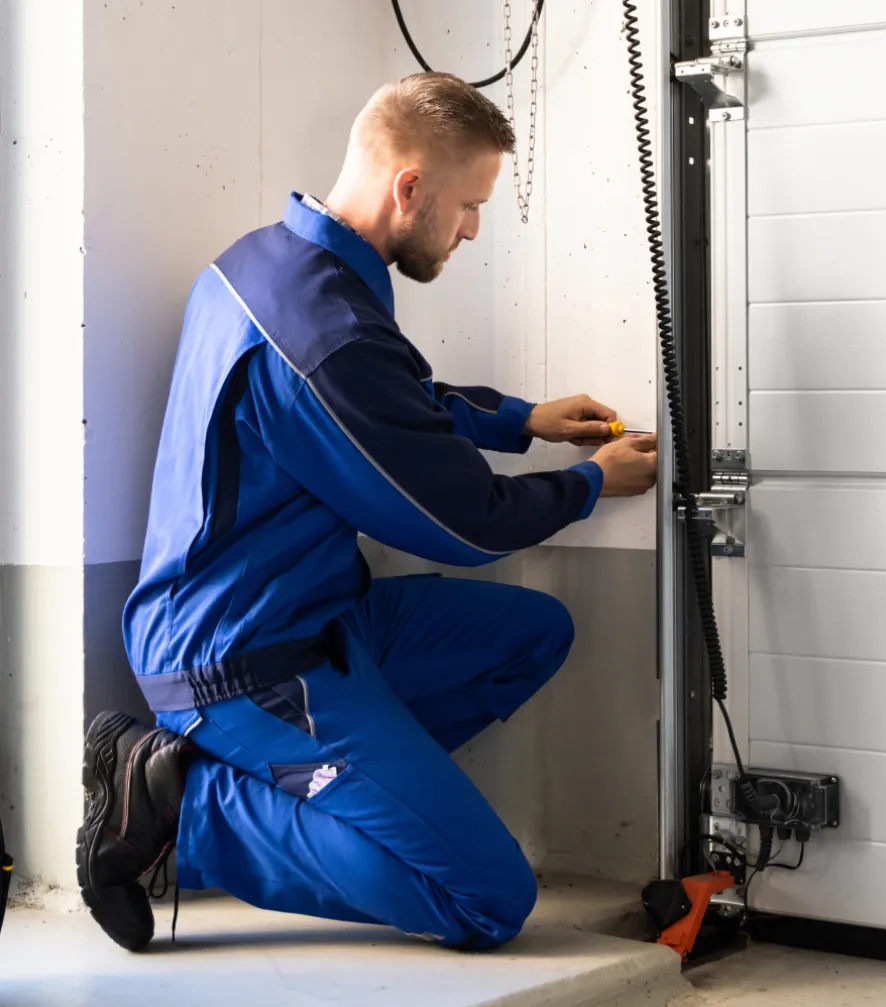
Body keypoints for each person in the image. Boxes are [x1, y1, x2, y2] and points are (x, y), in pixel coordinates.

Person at [77, 72, 657, 954]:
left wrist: (521, 420)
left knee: (533, 632)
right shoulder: (322, 334)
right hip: (240, 661)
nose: (471, 229)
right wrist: (587, 483)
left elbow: (391, 402)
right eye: (468, 205)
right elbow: (467, 523)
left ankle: (340, 799)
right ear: (410, 188)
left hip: (320, 617)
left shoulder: (268, 263)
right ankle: (185, 808)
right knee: (487, 899)